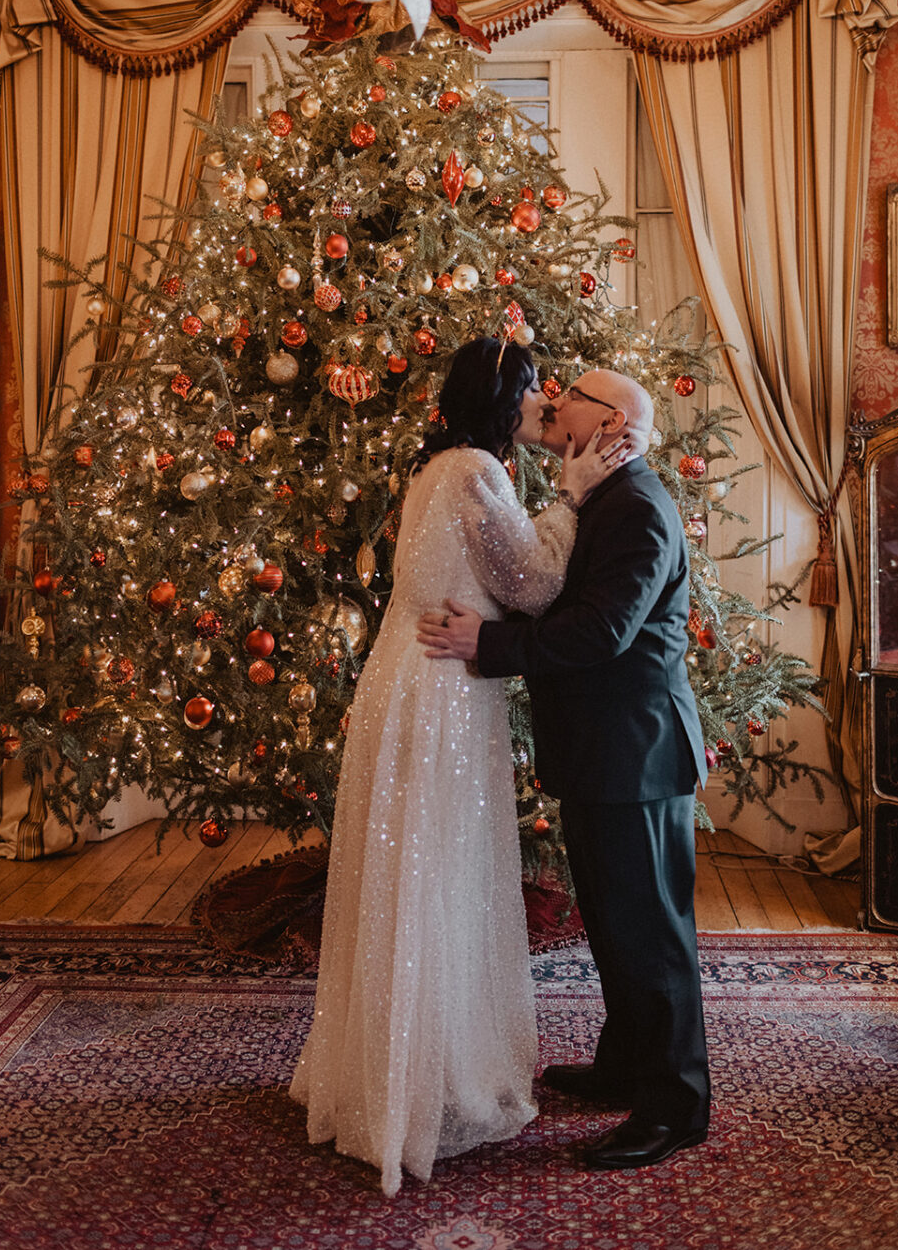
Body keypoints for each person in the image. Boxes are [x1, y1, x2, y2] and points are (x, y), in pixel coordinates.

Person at [289, 337, 629, 1196]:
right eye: (534, 397)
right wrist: (576, 497)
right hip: (440, 691)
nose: (545, 410)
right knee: (437, 873)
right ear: (502, 399)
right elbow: (535, 588)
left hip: (408, 679)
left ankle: (397, 1079)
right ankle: (432, 1089)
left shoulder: (438, 464)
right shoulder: (477, 465)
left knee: (412, 873)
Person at [418, 366, 711, 1171]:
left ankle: (676, 1105)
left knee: (653, 939)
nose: (552, 399)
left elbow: (600, 633)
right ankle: (626, 1065)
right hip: (603, 752)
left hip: (637, 755)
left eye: (571, 390)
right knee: (617, 925)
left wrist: (489, 646)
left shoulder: (640, 509)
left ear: (612, 421)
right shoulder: (602, 500)